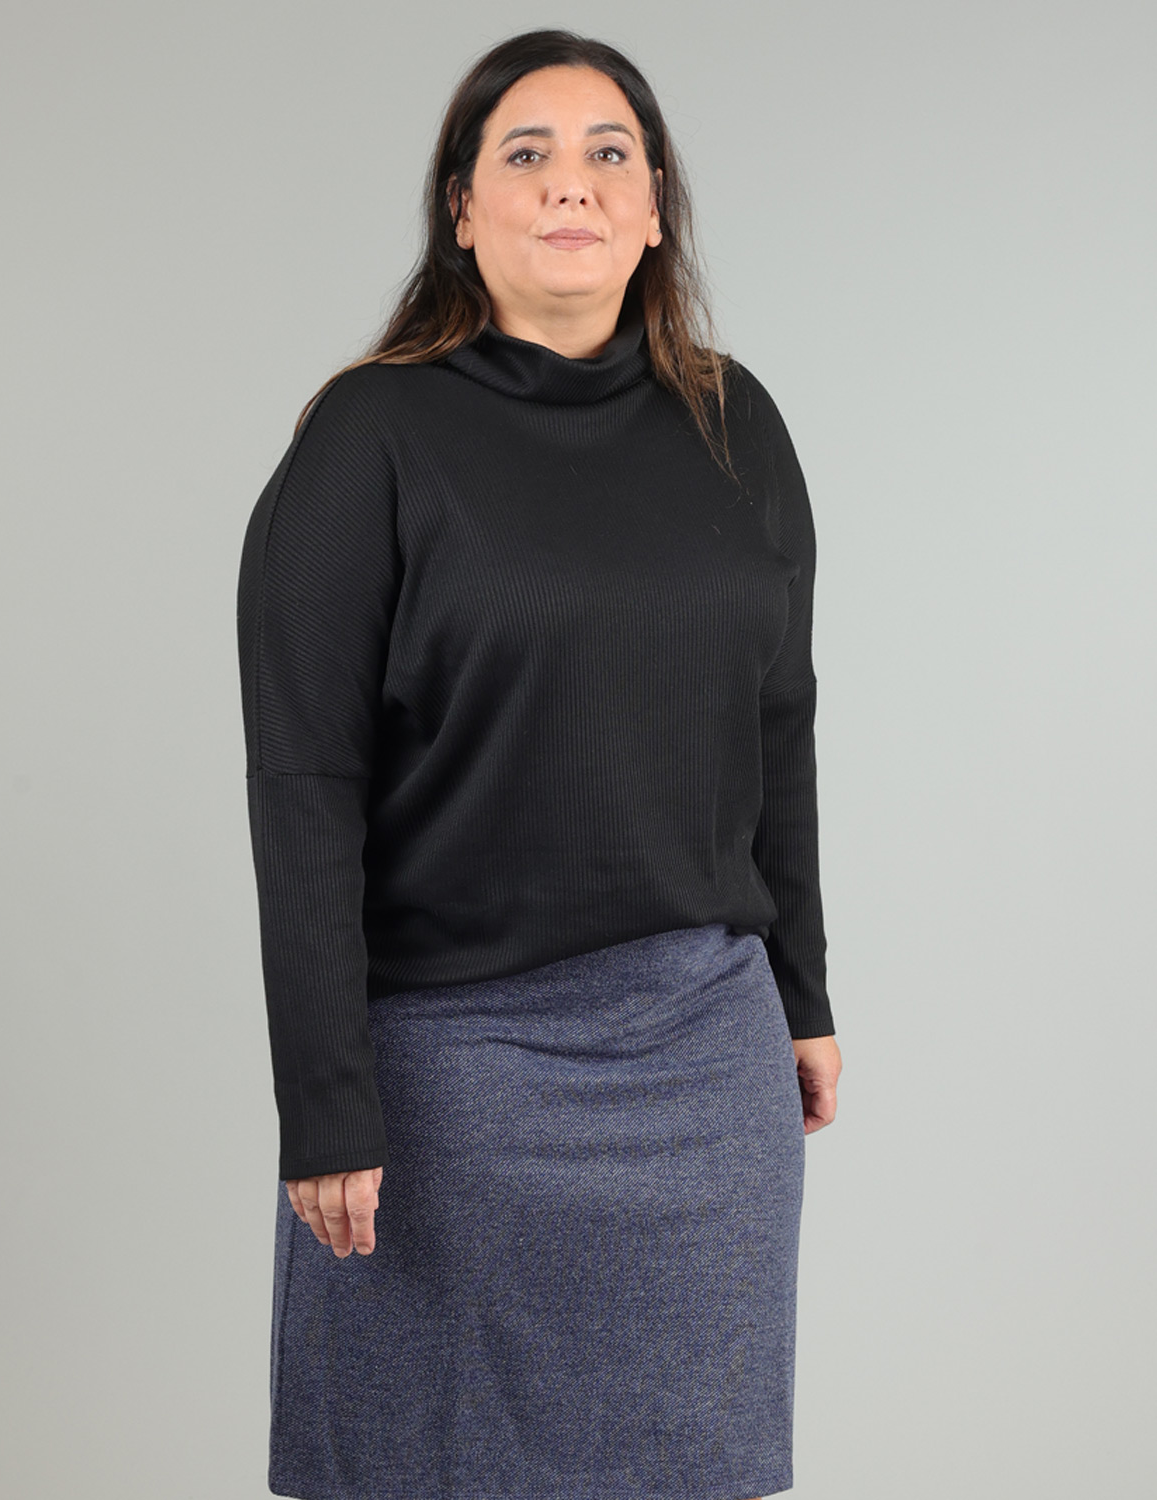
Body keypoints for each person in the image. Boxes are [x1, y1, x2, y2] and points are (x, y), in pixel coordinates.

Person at [237, 26, 842, 1500]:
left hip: (703, 1062)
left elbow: (779, 722)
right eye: (528, 153)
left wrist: (803, 994)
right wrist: (325, 1097)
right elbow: (305, 782)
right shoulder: (372, 435)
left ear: (654, 208)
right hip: (454, 1078)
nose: (573, 183)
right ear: (462, 209)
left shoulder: (736, 424)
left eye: (608, 153)